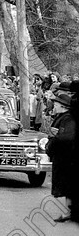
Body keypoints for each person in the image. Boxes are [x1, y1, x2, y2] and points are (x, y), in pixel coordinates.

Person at [47, 90, 76, 222]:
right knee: (67, 186)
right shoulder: (64, 117)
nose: (54, 106)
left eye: (56, 104)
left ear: (63, 106)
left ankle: (67, 212)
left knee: (66, 185)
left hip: (66, 158)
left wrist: (55, 136)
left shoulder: (68, 119)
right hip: (63, 157)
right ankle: (68, 212)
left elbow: (67, 137)